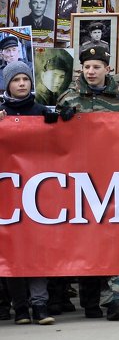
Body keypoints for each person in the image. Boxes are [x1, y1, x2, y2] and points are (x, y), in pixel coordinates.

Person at [56, 44, 119, 321]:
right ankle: (91, 301)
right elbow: (54, 139)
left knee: (110, 237)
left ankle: (117, 298)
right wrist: (59, 121)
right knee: (86, 239)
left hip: (114, 179)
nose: (91, 72)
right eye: (87, 67)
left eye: (96, 67)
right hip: (80, 180)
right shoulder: (68, 98)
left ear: (108, 69)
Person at [0, 61, 58, 324]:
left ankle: (40, 305)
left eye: (25, 79)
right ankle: (20, 307)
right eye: (16, 80)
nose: (22, 84)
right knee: (12, 252)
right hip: (8, 194)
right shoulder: (1, 112)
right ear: (7, 84)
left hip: (38, 194)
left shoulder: (41, 111)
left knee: (36, 250)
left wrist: (59, 122)